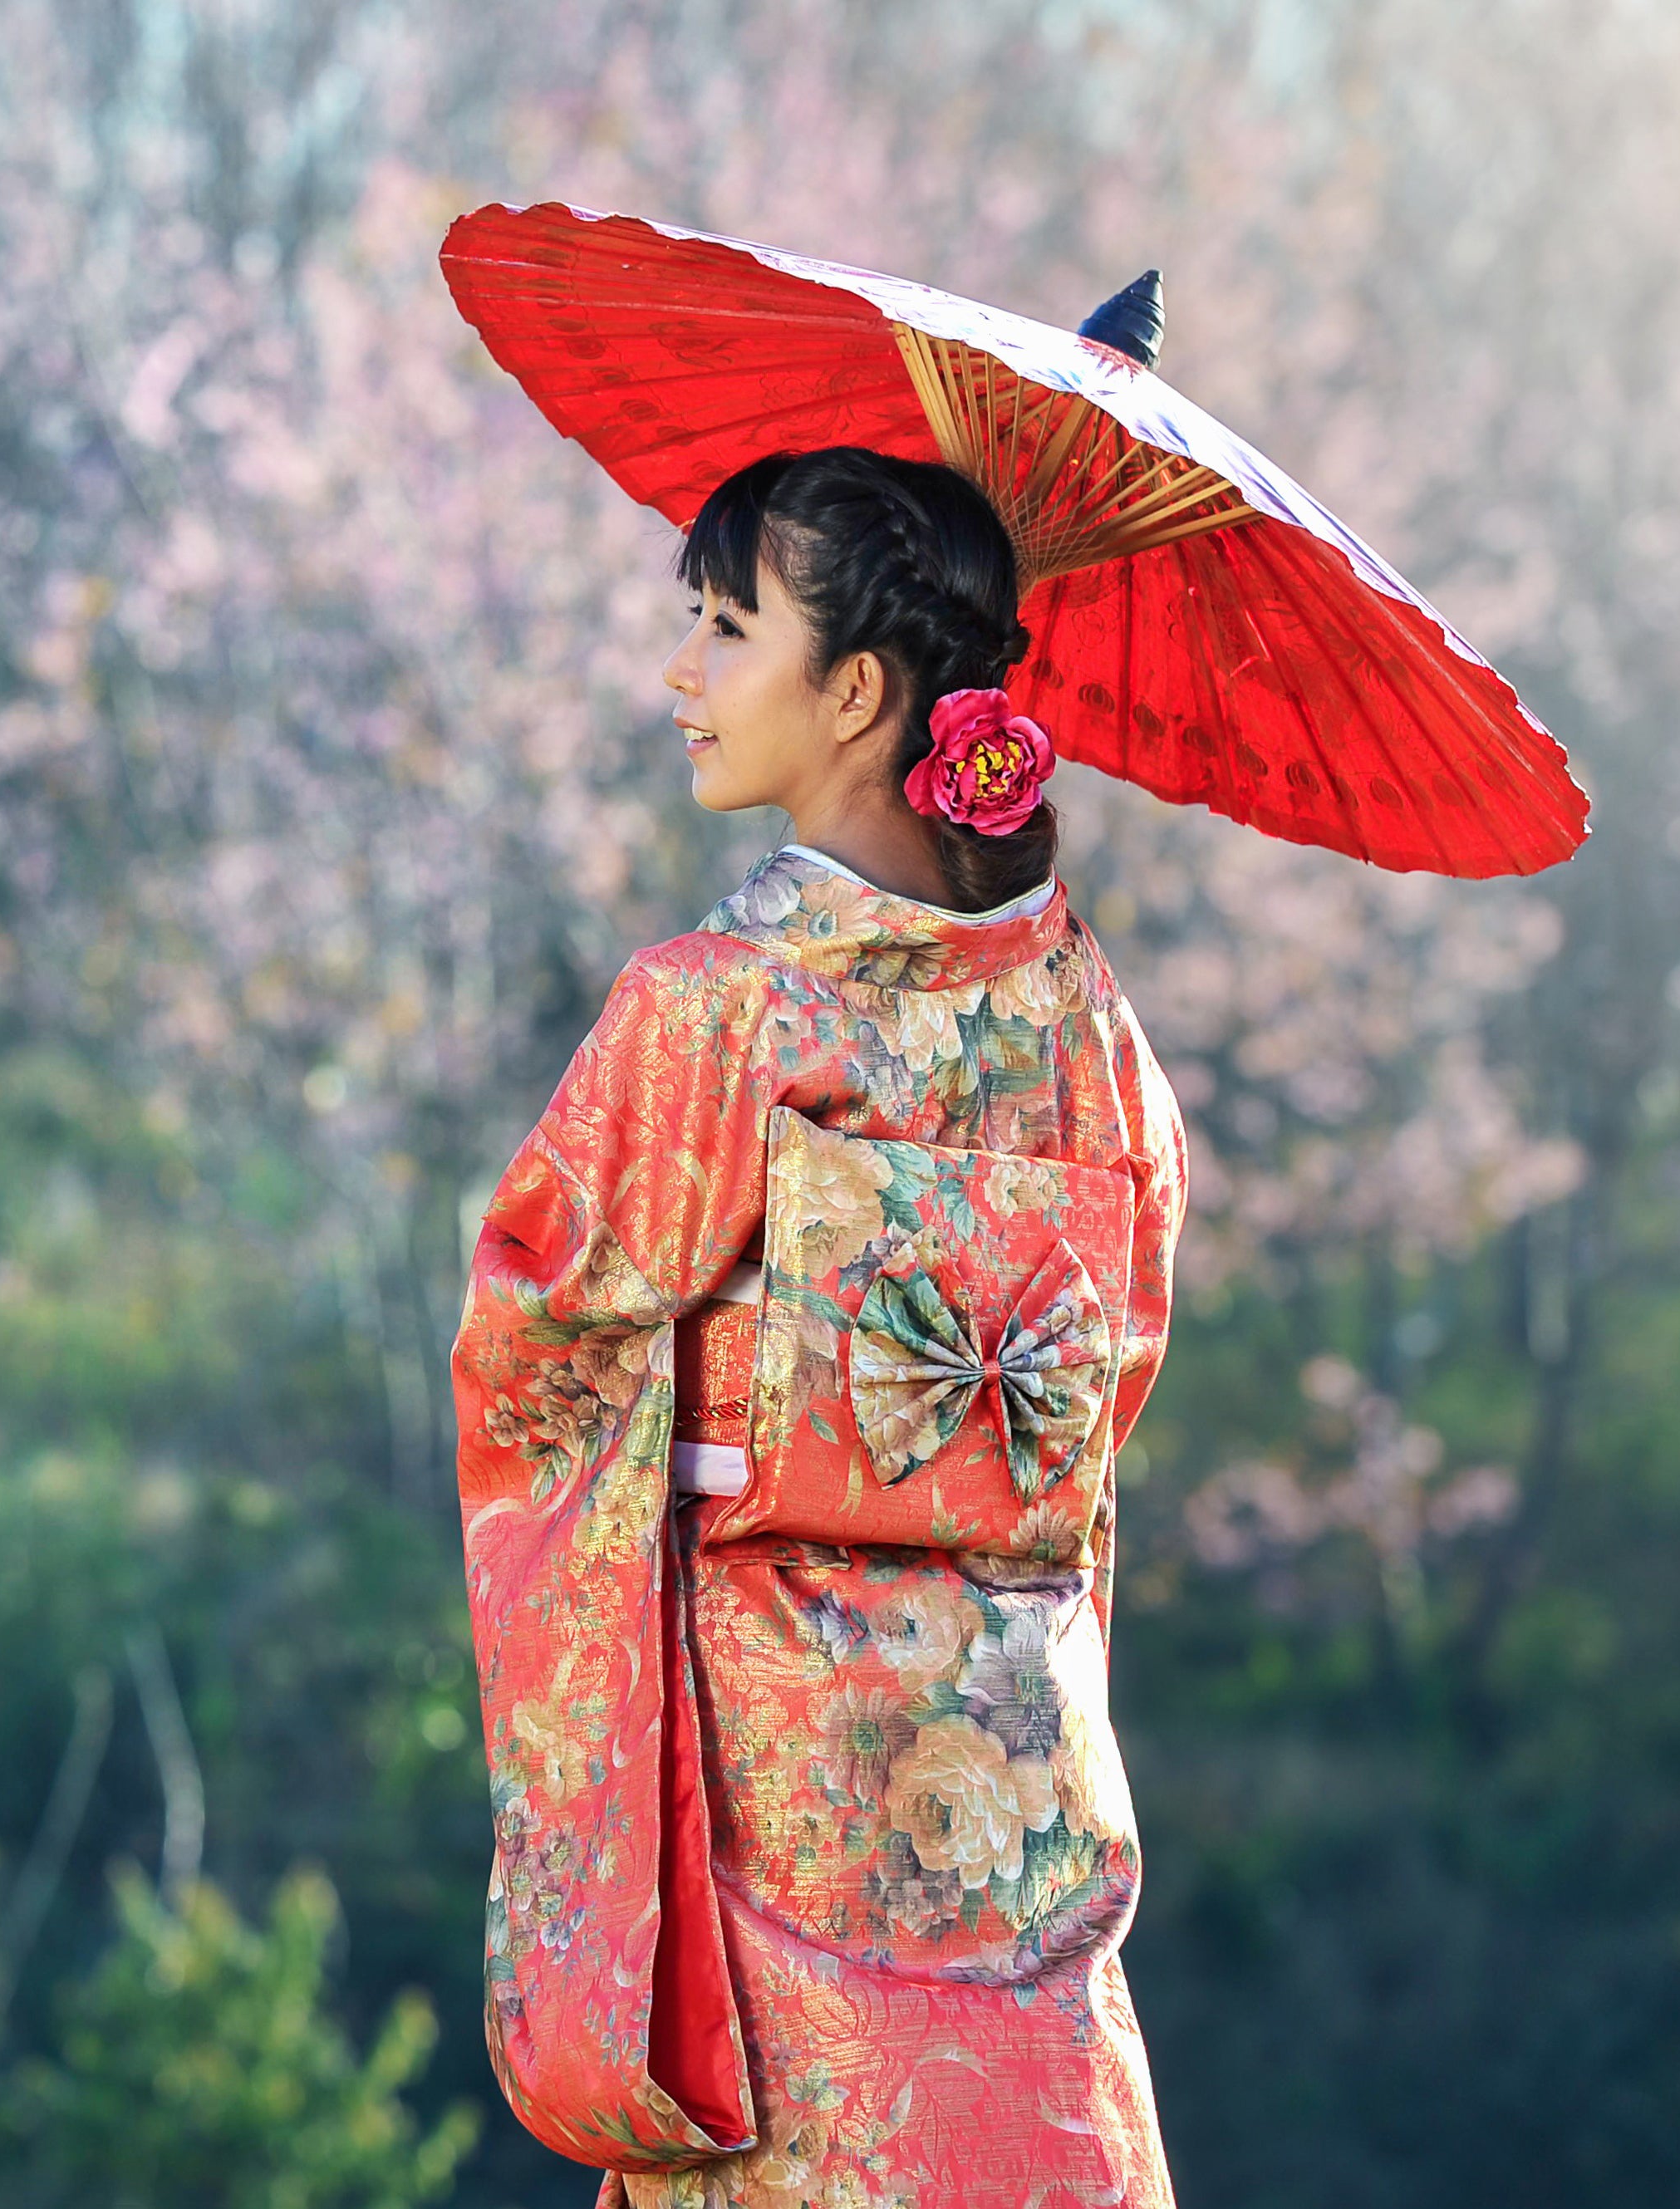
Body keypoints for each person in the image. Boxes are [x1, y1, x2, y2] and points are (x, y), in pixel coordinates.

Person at [452, 447, 1190, 2207]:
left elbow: (535, 1345)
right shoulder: (1083, 1024)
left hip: (782, 1766)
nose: (679, 673)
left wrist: (713, 1429)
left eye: (724, 627)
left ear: (857, 690)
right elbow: (1108, 1369)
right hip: (1014, 1768)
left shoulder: (717, 1012)